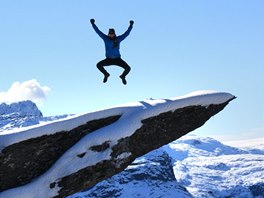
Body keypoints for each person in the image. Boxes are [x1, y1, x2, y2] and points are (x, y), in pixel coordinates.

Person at [90, 18, 134, 85]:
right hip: (108, 59)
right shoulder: (105, 38)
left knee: (128, 68)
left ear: (114, 33)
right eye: (110, 33)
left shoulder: (118, 39)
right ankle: (106, 74)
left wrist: (130, 26)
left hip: (117, 59)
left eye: (112, 33)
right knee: (98, 65)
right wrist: (93, 24)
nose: (111, 34)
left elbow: (126, 34)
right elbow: (98, 32)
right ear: (108, 34)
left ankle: (122, 76)